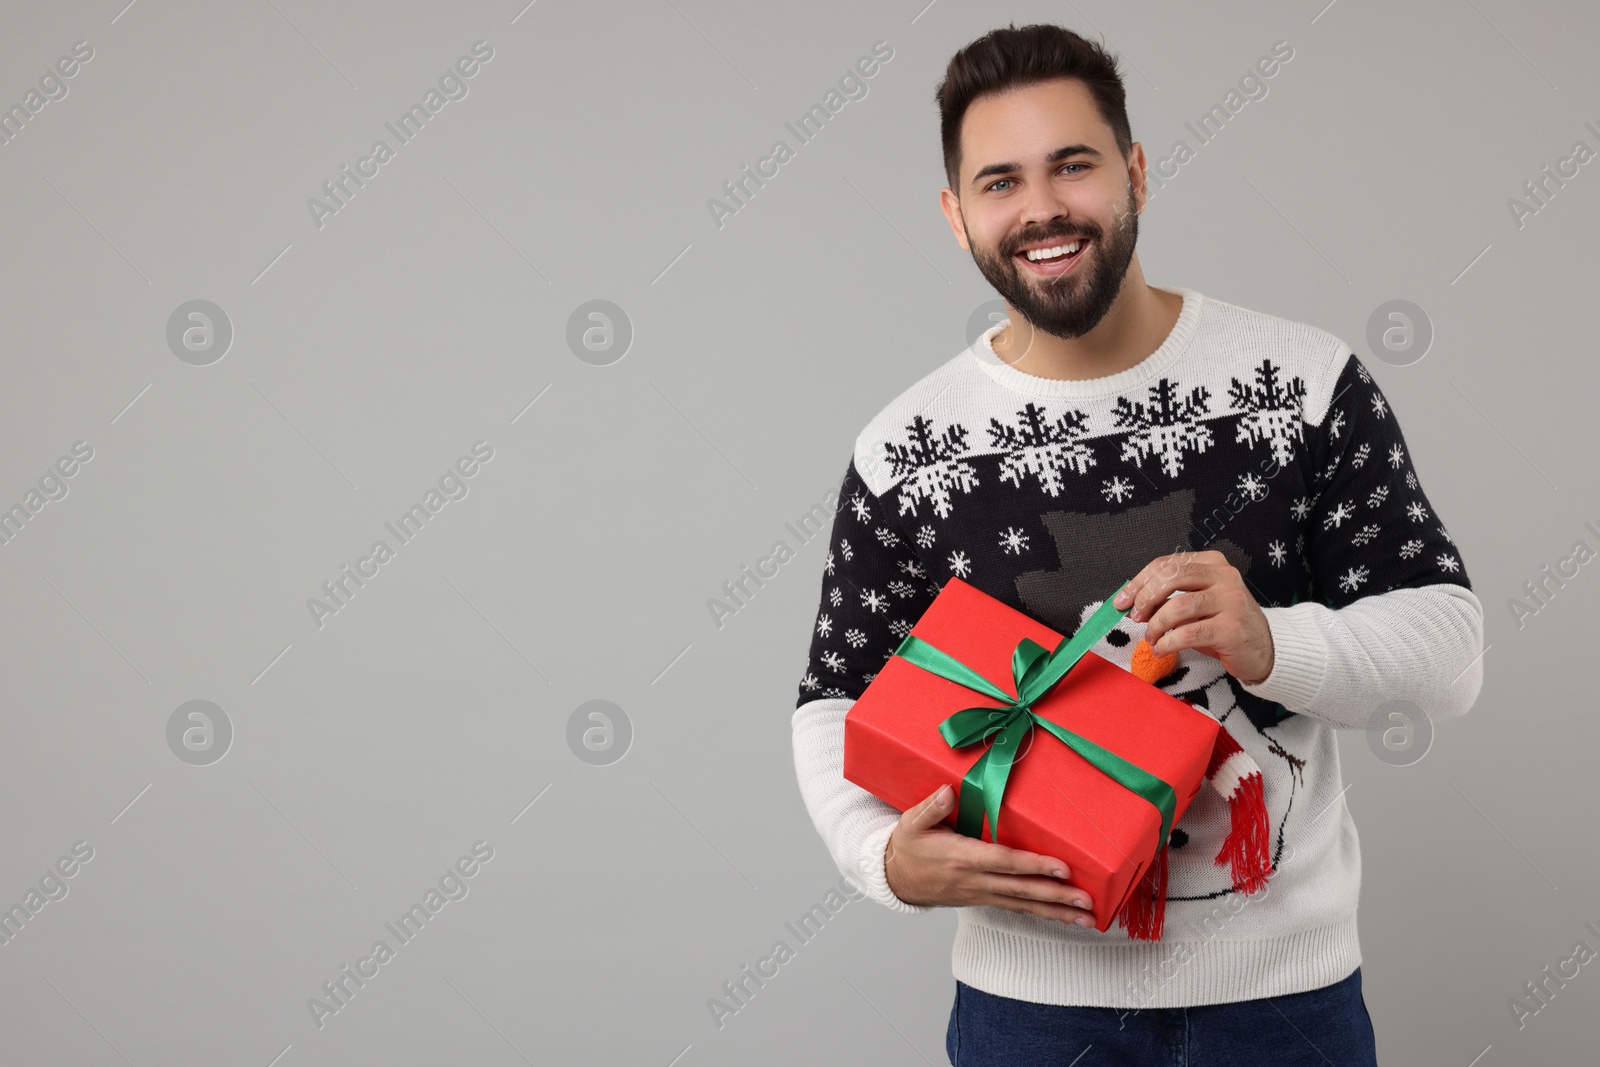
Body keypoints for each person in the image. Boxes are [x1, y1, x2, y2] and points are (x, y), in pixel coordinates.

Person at [790, 22, 1483, 1066]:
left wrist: (1267, 643)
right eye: (999, 181)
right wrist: (879, 857)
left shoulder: (1301, 383)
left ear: (1136, 170)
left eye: (1072, 164)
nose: (1041, 209)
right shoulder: (904, 449)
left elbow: (1452, 653)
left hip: (1285, 1005)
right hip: (1029, 1015)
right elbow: (833, 696)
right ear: (955, 215)